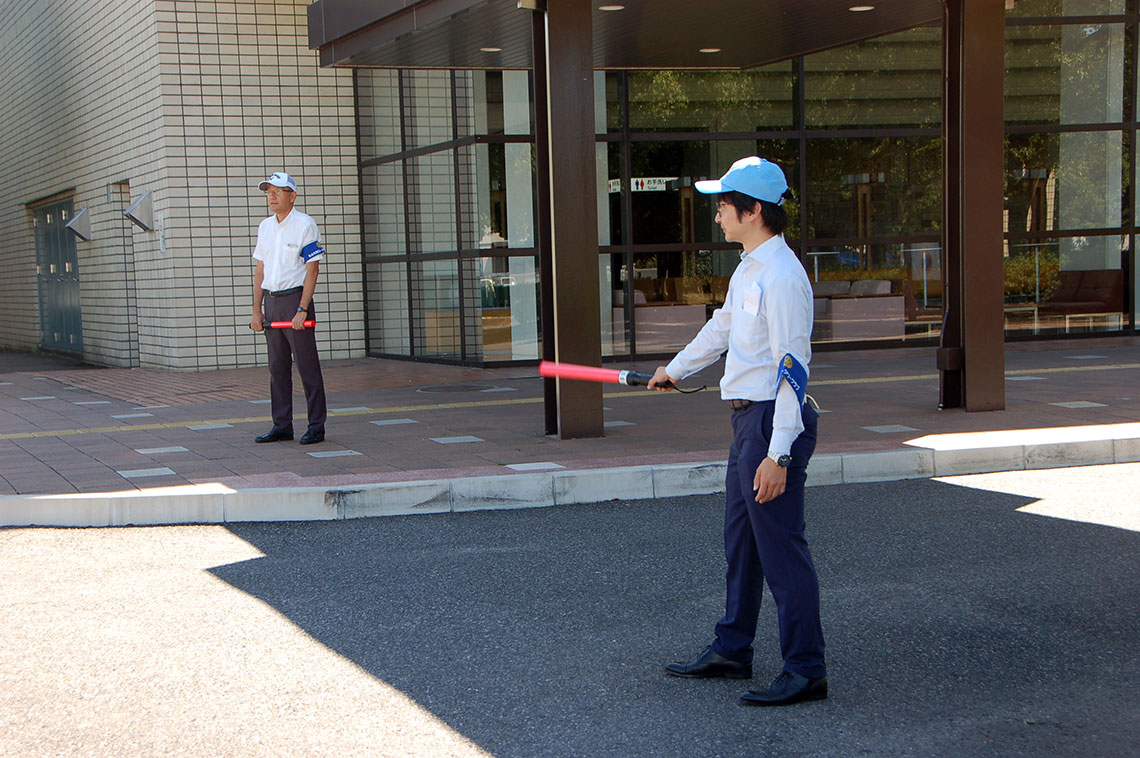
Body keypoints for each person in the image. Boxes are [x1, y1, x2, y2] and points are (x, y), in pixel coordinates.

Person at [649, 157, 826, 707]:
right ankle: (733, 649)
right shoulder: (750, 268)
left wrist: (779, 454)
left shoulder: (783, 277)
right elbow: (722, 328)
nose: (718, 214)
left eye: (724, 205)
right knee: (743, 545)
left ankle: (806, 669)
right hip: (748, 421)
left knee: (782, 553)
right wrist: (675, 370)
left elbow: (792, 369)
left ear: (753, 211)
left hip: (772, 424)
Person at [249, 172, 327, 445]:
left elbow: (312, 269)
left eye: (278, 191)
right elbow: (260, 271)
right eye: (269, 191)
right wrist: (257, 310)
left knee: (307, 368)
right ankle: (281, 425)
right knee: (277, 368)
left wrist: (302, 308)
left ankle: (316, 426)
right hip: (272, 302)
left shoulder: (305, 224)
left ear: (292, 196)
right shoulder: (265, 227)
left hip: (295, 301)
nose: (272, 196)